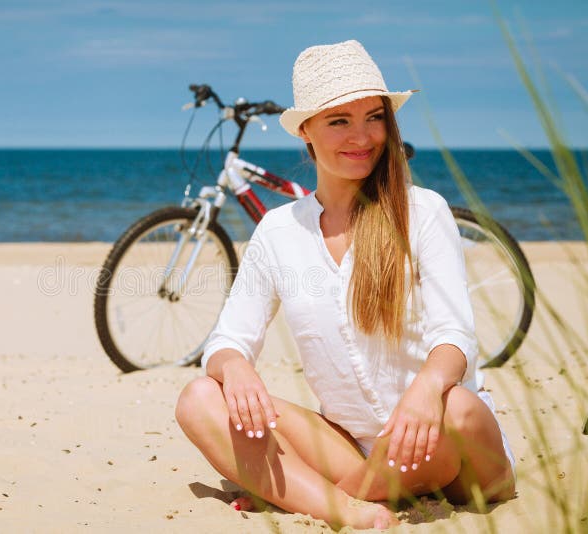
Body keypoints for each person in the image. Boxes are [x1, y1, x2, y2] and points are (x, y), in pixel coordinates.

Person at [175, 40, 516, 530]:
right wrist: (236, 369)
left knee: (457, 405)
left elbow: (455, 337)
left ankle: (310, 495)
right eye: (340, 121)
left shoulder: (422, 212)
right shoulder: (278, 231)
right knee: (200, 397)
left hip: (451, 448)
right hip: (346, 449)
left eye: (374, 117)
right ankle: (352, 507)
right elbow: (227, 341)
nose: (363, 136)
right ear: (307, 133)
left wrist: (425, 389)